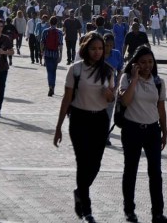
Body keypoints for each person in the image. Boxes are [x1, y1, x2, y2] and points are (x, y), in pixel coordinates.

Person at [53, 32, 115, 223]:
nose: (97, 52)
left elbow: (112, 98)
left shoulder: (108, 71)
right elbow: (66, 99)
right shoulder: (76, 70)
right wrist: (58, 126)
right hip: (80, 119)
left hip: (100, 120)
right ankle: (87, 209)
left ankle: (80, 191)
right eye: (93, 48)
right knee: (83, 162)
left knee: (95, 164)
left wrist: (109, 95)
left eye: (100, 49)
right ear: (86, 49)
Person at [118, 46, 167, 223]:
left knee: (155, 172)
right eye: (143, 62)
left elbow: (162, 109)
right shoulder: (126, 79)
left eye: (150, 62)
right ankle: (129, 210)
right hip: (132, 129)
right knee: (131, 170)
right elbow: (125, 101)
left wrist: (164, 132)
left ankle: (158, 213)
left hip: (152, 131)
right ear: (135, 63)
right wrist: (134, 79)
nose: (147, 65)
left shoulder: (158, 82)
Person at [104, 32, 124, 146]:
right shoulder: (98, 53)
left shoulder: (116, 54)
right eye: (107, 45)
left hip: (112, 89)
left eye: (111, 45)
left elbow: (121, 70)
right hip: (98, 89)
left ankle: (105, 136)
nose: (109, 48)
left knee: (108, 113)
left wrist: (117, 86)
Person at [41, 16, 63, 96]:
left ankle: (50, 86)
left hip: (47, 54)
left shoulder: (45, 31)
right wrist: (60, 55)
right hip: (55, 54)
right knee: (54, 71)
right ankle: (53, 86)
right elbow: (60, 45)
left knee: (49, 71)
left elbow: (42, 42)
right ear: (57, 23)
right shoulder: (59, 32)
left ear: (49, 22)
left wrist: (42, 51)